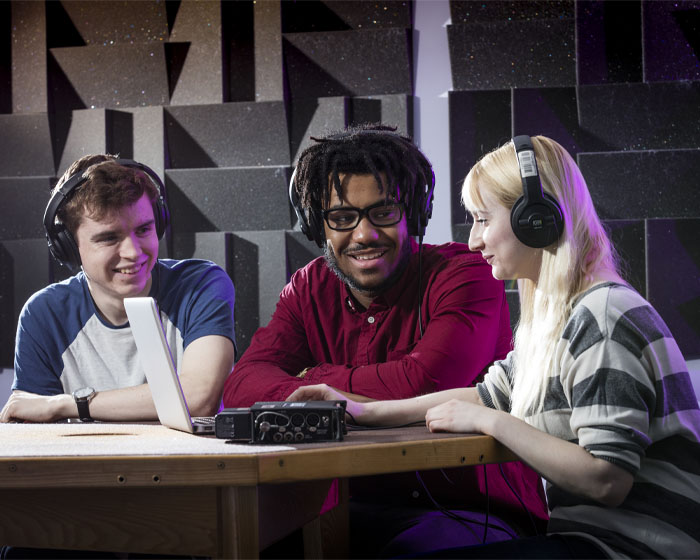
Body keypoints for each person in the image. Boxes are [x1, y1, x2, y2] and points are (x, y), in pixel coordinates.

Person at [289, 135, 700, 559]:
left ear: (535, 220)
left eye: (483, 220)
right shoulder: (558, 323)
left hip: (637, 550)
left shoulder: (604, 314)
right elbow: (488, 394)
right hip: (589, 541)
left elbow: (607, 480)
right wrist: (362, 410)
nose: (473, 240)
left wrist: (493, 422)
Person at [223, 125, 548, 556]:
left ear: (412, 213)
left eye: (383, 212)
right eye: (342, 218)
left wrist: (317, 378)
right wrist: (328, 389)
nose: (363, 235)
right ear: (317, 226)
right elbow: (241, 385)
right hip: (347, 508)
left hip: (472, 512)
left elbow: (424, 381)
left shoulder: (466, 274)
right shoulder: (307, 288)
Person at [0, 154, 236, 425]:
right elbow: (32, 427)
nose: (133, 252)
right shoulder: (44, 314)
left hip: (184, 467)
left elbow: (199, 397)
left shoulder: (201, 285)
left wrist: (68, 404)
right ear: (69, 246)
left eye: (144, 229)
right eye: (109, 238)